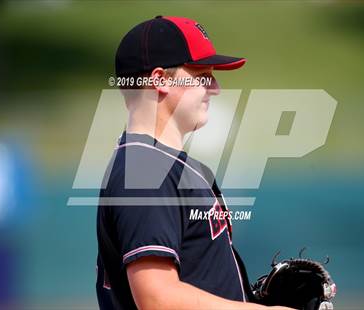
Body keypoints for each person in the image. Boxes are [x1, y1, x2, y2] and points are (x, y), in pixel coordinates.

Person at [96, 15, 294, 310]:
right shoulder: (145, 169)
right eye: (202, 75)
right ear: (160, 80)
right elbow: (157, 299)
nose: (214, 88)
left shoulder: (163, 165)